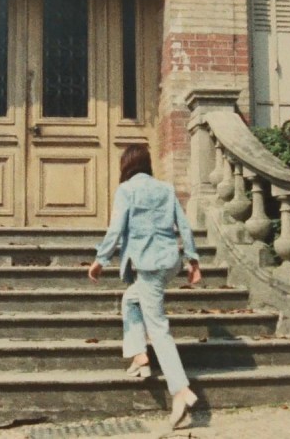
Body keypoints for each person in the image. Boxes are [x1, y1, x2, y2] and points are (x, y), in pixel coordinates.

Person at [87, 144, 202, 429]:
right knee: (130, 299)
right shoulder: (166, 188)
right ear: (147, 163)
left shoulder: (126, 190)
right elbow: (184, 225)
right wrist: (193, 261)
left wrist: (100, 260)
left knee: (158, 328)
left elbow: (116, 229)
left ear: (126, 165)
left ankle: (180, 390)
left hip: (149, 265)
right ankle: (139, 355)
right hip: (169, 261)